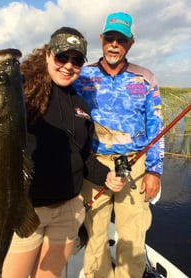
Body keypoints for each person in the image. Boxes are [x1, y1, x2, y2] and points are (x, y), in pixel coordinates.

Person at [0, 27, 126, 278]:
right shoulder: (23, 93)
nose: (69, 66)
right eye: (62, 57)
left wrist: (107, 177)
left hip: (68, 211)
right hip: (27, 210)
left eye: (77, 60)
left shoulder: (80, 106)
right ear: (47, 55)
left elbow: (83, 156)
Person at [73, 12, 165, 278]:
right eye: (110, 38)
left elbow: (156, 128)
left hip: (135, 166)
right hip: (93, 166)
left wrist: (154, 171)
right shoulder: (82, 76)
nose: (114, 44)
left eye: (121, 40)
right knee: (94, 233)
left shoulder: (145, 78)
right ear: (101, 39)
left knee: (133, 236)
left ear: (131, 44)